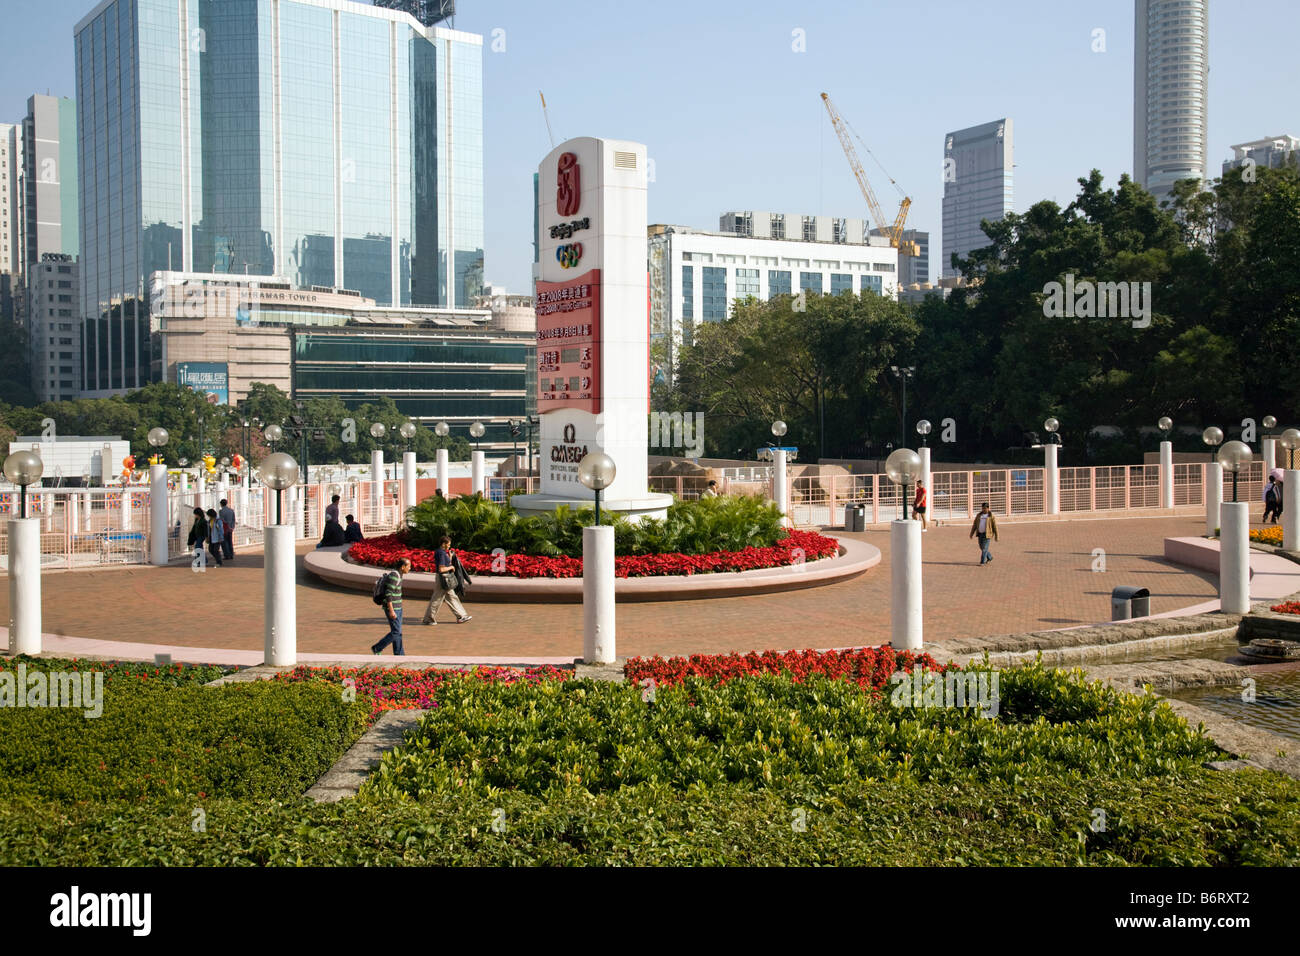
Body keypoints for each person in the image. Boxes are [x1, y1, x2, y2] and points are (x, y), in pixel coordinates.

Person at [423, 534, 472, 625]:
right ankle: (428, 619)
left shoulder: (440, 552)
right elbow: (441, 569)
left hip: (444, 578)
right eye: (448, 544)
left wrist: (449, 557)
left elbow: (445, 564)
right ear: (443, 544)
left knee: (452, 597)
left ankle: (461, 616)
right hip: (443, 578)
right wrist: (451, 567)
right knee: (437, 599)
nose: (449, 546)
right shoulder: (441, 553)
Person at [371, 558, 411, 655]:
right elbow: (388, 594)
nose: (410, 568)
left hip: (398, 607)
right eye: (409, 566)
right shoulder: (394, 576)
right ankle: (377, 648)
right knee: (396, 632)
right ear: (402, 567)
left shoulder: (399, 575)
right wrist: (391, 611)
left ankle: (399, 654)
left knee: (398, 632)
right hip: (393, 609)